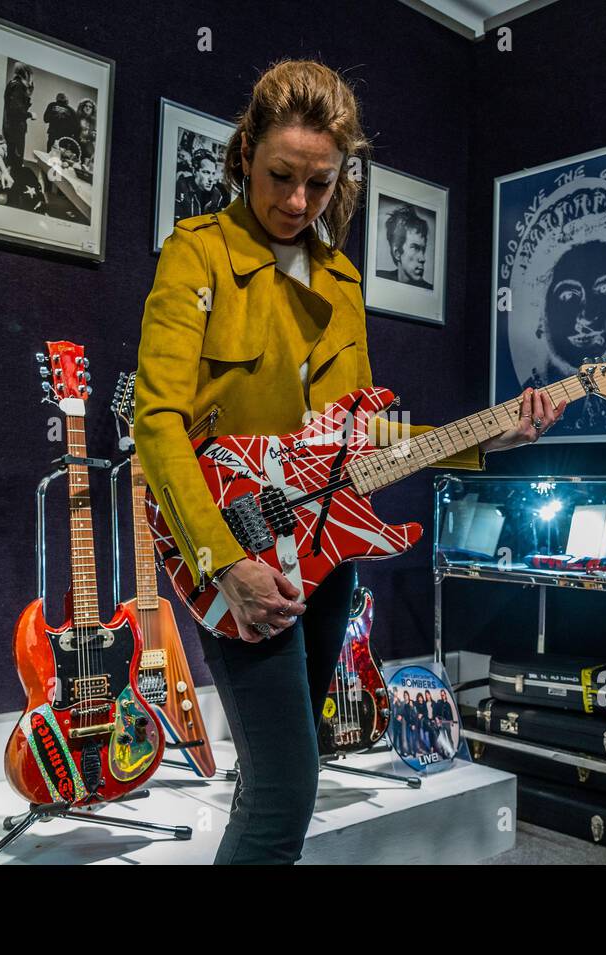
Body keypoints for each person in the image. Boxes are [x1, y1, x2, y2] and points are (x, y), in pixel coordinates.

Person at [131, 59, 565, 865]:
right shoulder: (197, 255)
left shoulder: (341, 276)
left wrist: (494, 435)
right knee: (288, 790)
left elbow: (360, 441)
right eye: (281, 176)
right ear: (244, 156)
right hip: (242, 556)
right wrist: (223, 562)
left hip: (327, 561)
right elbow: (155, 423)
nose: (297, 201)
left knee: (275, 778)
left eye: (320, 184)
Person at [376, 204, 432, 288]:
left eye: (423, 249)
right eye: (415, 248)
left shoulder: (429, 290)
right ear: (397, 253)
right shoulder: (378, 279)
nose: (423, 258)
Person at [174, 148, 232, 218]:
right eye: (206, 172)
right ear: (195, 172)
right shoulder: (181, 187)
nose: (211, 179)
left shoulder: (217, 195)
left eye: (213, 173)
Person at [2, 62, 34, 169]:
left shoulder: (12, 83)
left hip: (9, 126)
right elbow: (16, 110)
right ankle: (14, 182)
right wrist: (30, 114)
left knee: (11, 157)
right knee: (16, 161)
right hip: (16, 129)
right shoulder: (19, 86)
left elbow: (13, 107)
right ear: (26, 74)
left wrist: (28, 96)